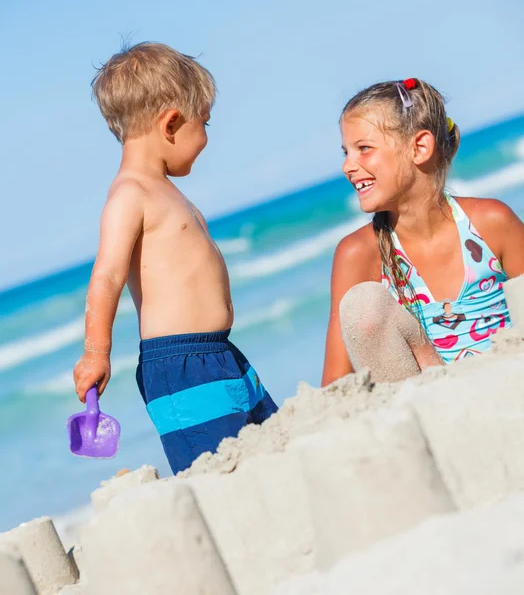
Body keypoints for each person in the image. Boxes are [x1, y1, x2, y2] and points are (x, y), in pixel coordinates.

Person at [73, 42, 277, 474]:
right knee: (220, 472)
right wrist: (96, 351)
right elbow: (106, 275)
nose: (205, 137)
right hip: (181, 366)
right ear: (171, 123)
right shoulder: (130, 193)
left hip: (219, 354)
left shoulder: (162, 190)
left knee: (270, 445)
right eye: (204, 122)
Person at [322, 78, 524, 386]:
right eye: (346, 152)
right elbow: (336, 384)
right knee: (363, 305)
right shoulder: (358, 253)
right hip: (424, 403)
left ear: (420, 147)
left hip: (504, 390)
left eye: (364, 149)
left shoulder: (491, 223)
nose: (347, 166)